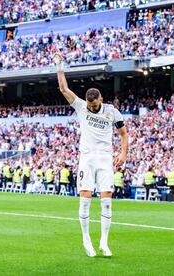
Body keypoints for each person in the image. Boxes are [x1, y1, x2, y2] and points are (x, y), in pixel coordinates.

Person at [54, 52, 128, 257]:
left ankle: (104, 242)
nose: (91, 108)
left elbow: (123, 134)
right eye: (89, 105)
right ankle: (86, 239)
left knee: (106, 199)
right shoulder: (81, 107)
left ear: (101, 100)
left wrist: (123, 153)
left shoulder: (112, 111)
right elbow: (63, 89)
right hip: (86, 158)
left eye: (94, 105)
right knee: (85, 198)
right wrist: (60, 64)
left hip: (105, 159)